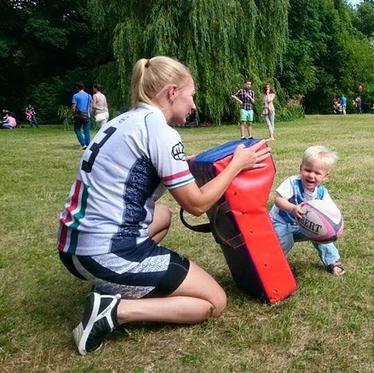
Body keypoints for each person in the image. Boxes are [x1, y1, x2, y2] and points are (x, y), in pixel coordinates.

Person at [56, 56, 271, 355]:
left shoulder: (125, 120)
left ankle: (113, 283)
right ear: (172, 92)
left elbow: (159, 165)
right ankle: (113, 311)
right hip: (104, 252)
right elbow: (196, 204)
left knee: (163, 215)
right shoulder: (159, 130)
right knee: (214, 302)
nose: (194, 105)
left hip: (73, 246)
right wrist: (237, 164)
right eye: (191, 95)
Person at [269, 145, 345, 276]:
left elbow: (331, 211)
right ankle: (272, 263)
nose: (311, 175)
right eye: (307, 170)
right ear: (300, 169)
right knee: (285, 241)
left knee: (323, 233)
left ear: (325, 177)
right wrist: (292, 208)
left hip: (302, 225)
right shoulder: (292, 183)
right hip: (282, 222)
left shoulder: (322, 192)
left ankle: (332, 261)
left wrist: (338, 228)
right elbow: (278, 200)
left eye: (317, 173)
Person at [71, 82, 93, 149]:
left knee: (77, 129)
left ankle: (83, 144)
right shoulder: (89, 96)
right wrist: (89, 114)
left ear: (77, 87)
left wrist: (73, 114)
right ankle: (88, 144)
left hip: (78, 115)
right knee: (86, 130)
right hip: (86, 115)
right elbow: (90, 107)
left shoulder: (75, 96)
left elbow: (74, 107)